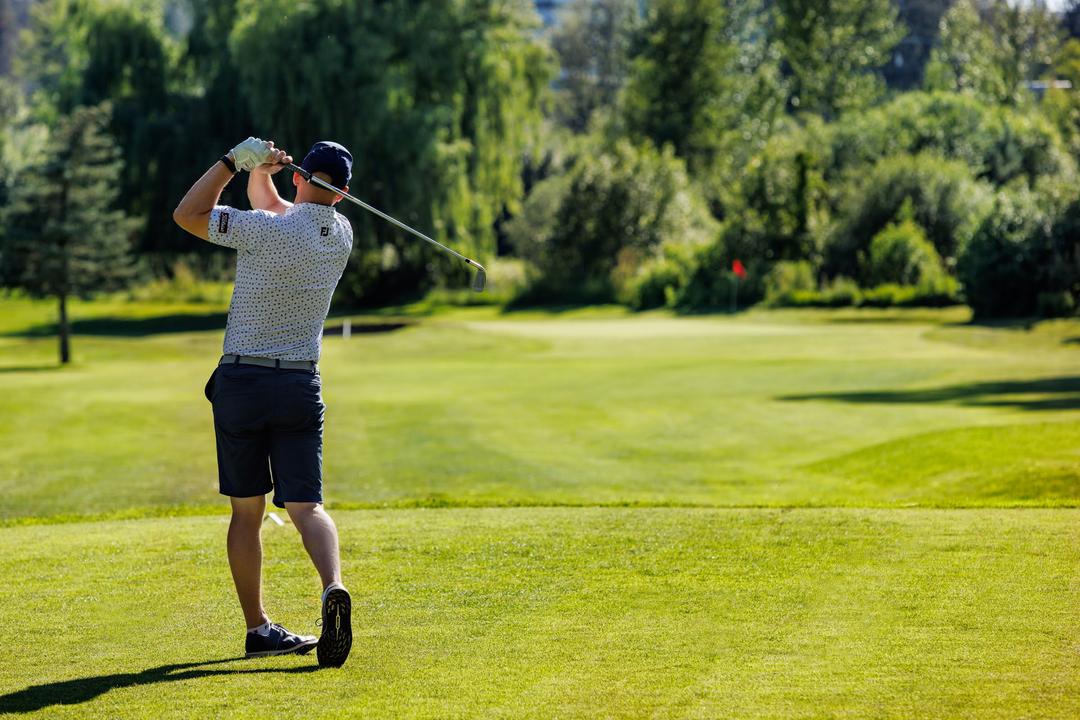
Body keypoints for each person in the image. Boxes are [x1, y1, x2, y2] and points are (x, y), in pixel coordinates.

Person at [173, 137, 354, 667]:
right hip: (300, 385)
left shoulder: (264, 231)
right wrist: (264, 173)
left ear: (301, 176)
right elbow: (275, 208)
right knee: (307, 507)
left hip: (243, 385)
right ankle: (332, 586)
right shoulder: (340, 234)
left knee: (247, 513)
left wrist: (234, 162)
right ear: (342, 194)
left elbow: (188, 213)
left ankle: (257, 628)